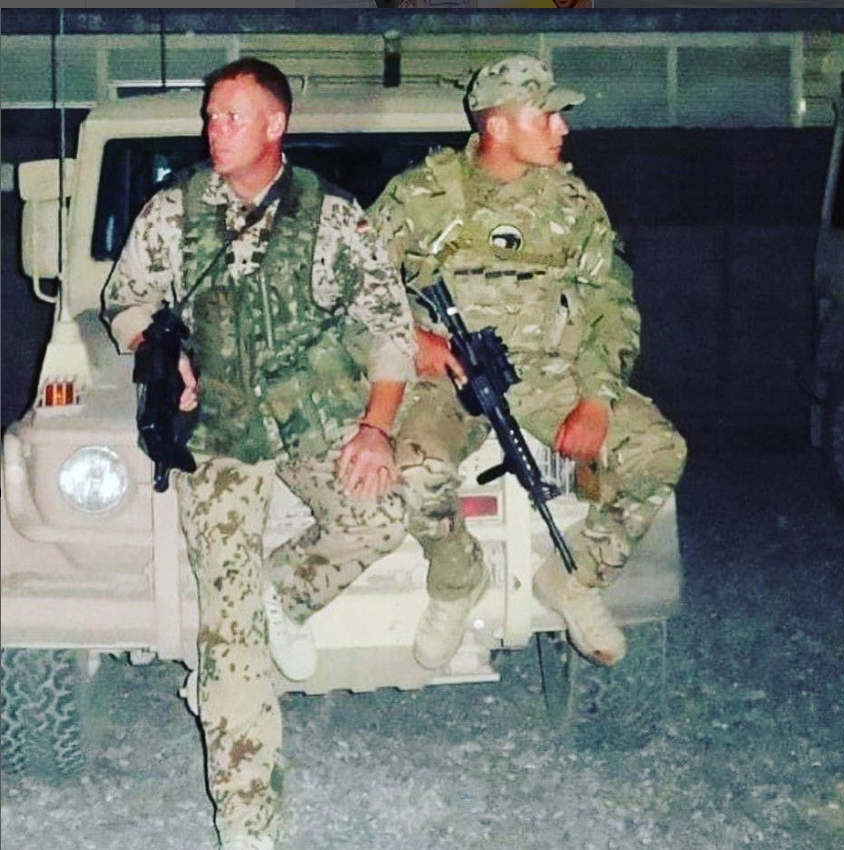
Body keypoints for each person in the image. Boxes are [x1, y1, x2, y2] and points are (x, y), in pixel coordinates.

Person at [101, 58, 415, 850]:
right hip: (218, 436)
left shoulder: (333, 216)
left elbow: (389, 328)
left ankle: (286, 594)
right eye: (210, 116)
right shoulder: (173, 210)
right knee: (229, 635)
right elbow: (125, 301)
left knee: (380, 516)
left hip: (311, 418)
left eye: (232, 117)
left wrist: (375, 428)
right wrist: (159, 351)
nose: (214, 131)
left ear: (276, 126)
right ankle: (247, 824)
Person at [369, 54, 686, 671]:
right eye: (546, 115)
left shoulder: (574, 203)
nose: (562, 127)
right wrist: (410, 336)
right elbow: (354, 286)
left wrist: (596, 397)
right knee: (417, 468)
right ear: (498, 126)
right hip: (450, 374)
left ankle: (576, 578)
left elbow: (611, 304)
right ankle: (458, 578)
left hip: (547, 374)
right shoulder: (420, 196)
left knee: (659, 452)